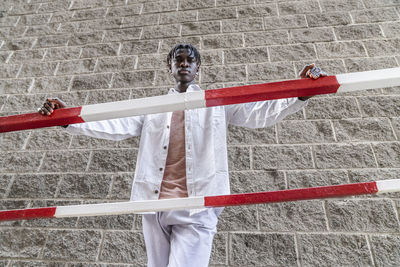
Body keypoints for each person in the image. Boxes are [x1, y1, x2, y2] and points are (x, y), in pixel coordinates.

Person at [39, 44, 326, 267]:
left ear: (197, 67)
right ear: (170, 66)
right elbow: (116, 124)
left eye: (190, 60)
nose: (184, 64)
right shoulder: (154, 106)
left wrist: (299, 93)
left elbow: (259, 112)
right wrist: (68, 118)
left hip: (198, 205)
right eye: (179, 60)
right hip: (153, 207)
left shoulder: (216, 102)